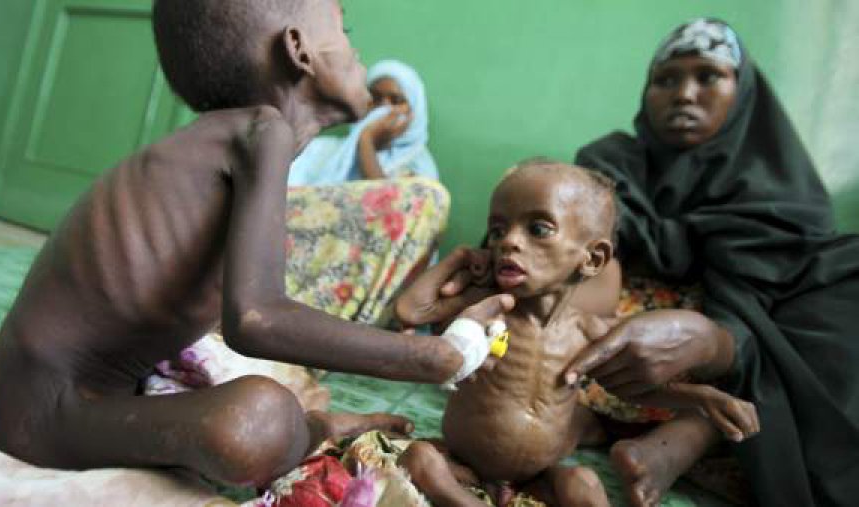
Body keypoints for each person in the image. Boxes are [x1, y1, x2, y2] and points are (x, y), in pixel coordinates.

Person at [0, 0, 512, 488]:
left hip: (67, 400)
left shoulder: (239, 140)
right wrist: (435, 357)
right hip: (46, 415)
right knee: (256, 419)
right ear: (299, 49)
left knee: (255, 399)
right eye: (344, 30)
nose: (356, 51)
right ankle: (318, 428)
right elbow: (256, 320)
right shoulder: (264, 132)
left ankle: (307, 425)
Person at [566, 18, 859, 507]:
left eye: (708, 76)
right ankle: (681, 431)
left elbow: (788, 282)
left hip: (725, 347)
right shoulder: (611, 161)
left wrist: (721, 343)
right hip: (622, 351)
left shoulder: (782, 188)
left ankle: (689, 437)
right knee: (551, 222)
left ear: (744, 93)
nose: (684, 93)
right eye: (666, 79)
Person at [395, 160, 757, 507]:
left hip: (536, 478)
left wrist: (701, 398)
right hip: (462, 464)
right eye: (498, 230)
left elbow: (636, 389)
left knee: (581, 482)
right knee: (421, 457)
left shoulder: (586, 332)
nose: (509, 241)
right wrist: (457, 257)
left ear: (592, 259)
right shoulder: (486, 309)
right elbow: (410, 311)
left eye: (537, 229)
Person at [288, 59, 439, 186]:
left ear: (415, 111)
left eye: (397, 101)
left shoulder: (418, 165)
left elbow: (388, 210)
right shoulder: (319, 150)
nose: (383, 108)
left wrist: (366, 141)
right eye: (375, 98)